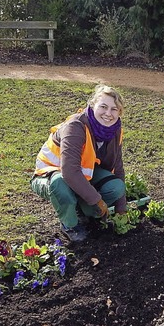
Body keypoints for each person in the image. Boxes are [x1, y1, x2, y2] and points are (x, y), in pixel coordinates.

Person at [31, 84, 127, 242]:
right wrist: (97, 200)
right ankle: (70, 225)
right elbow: (69, 171)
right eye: (103, 106)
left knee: (116, 187)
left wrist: (121, 208)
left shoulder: (114, 130)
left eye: (114, 109)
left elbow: (118, 168)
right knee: (60, 184)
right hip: (49, 173)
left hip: (82, 174)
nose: (108, 114)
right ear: (92, 105)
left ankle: (83, 212)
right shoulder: (76, 127)